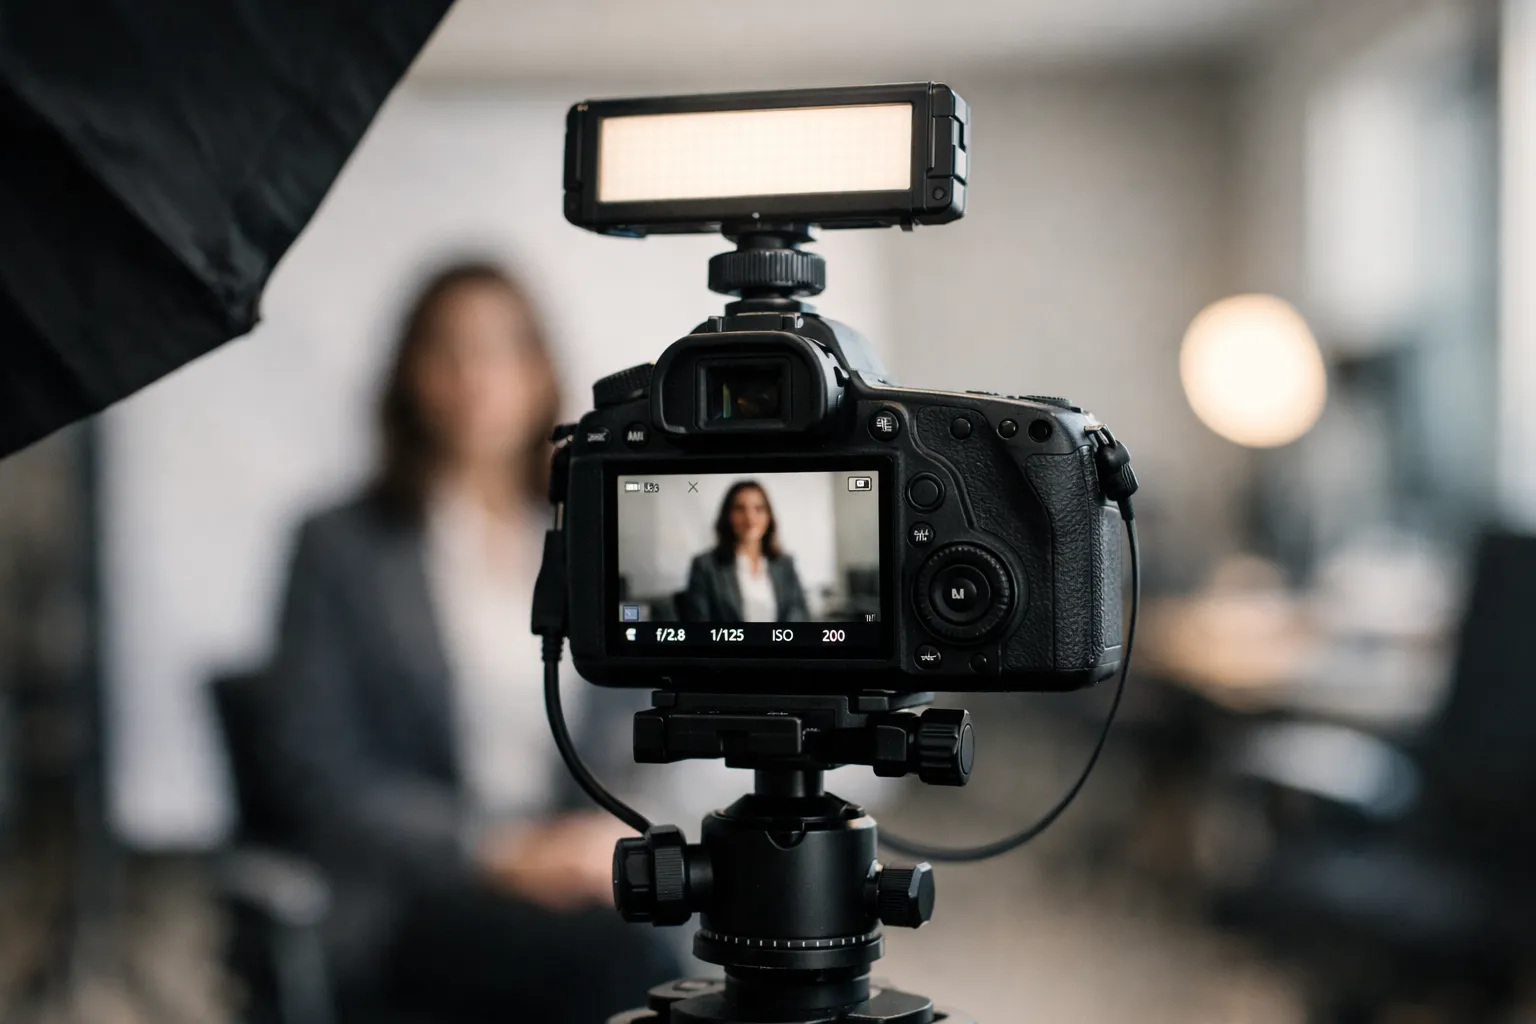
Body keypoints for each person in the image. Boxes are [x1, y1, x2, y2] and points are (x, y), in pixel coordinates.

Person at [265, 260, 677, 1021]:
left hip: (582, 875)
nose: (474, 376)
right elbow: (321, 773)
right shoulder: (338, 548)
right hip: (417, 895)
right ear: (409, 375)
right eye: (447, 351)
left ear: (539, 369)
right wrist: (500, 852)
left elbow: (641, 717)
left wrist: (607, 833)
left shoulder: (594, 535)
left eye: (500, 349)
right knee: (625, 966)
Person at [680, 480, 809, 623]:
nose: (750, 518)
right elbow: (699, 625)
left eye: (759, 509)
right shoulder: (705, 566)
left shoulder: (784, 564)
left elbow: (800, 614)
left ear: (769, 517)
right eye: (740, 509)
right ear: (728, 516)